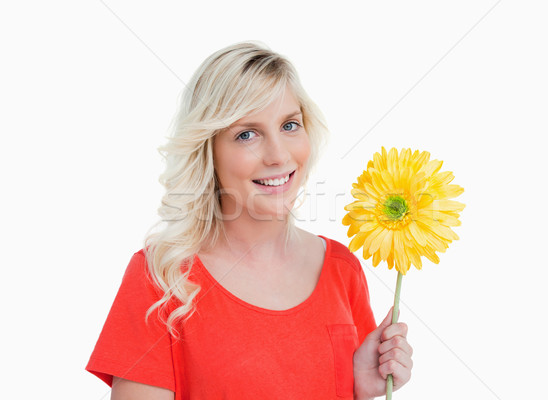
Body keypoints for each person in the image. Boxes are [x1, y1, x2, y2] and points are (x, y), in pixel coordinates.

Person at [85, 41, 413, 400]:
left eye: (290, 125)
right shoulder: (161, 279)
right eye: (247, 134)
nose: (278, 155)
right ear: (207, 151)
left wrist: (358, 390)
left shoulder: (342, 270)